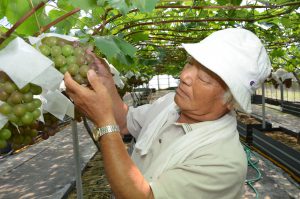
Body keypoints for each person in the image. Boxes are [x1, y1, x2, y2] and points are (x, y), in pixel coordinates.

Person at [64, 28, 272, 199]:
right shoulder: (169, 105)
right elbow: (125, 121)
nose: (184, 76)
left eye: (205, 78)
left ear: (230, 101)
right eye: (190, 62)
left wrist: (104, 123)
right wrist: (107, 83)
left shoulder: (224, 161)